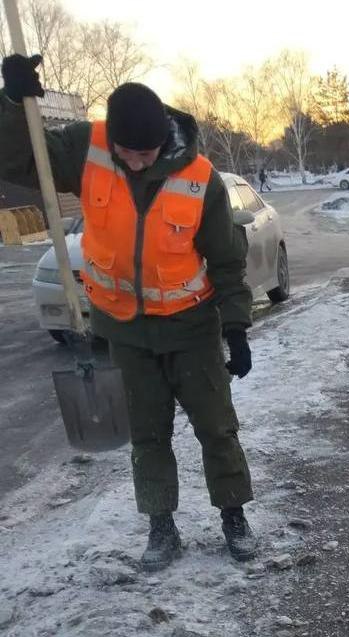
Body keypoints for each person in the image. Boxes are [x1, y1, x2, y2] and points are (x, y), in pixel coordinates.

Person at [1, 54, 257, 570]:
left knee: (217, 427)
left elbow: (227, 259)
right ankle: (162, 527)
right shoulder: (86, 148)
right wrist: (11, 102)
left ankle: (234, 516)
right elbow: (16, 157)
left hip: (191, 325)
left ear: (164, 138)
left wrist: (236, 325)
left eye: (146, 153)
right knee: (146, 433)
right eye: (127, 153)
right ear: (111, 138)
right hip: (124, 327)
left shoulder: (199, 177)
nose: (136, 162)